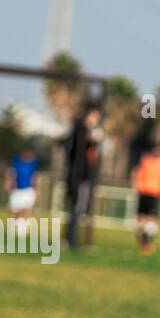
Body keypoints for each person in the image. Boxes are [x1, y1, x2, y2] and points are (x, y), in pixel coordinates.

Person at [63, 101, 103, 250]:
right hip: (77, 176)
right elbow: (75, 149)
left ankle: (72, 239)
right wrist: (90, 138)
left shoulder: (90, 132)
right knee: (76, 208)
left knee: (80, 209)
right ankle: (70, 240)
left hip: (86, 177)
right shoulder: (80, 130)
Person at [131, 142, 160, 254]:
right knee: (140, 221)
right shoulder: (145, 160)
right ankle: (142, 243)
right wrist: (136, 185)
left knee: (152, 221)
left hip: (156, 194)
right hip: (144, 192)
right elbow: (136, 172)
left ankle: (148, 243)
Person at [7, 146, 39, 222]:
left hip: (28, 189)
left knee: (26, 209)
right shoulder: (16, 161)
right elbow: (11, 172)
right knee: (15, 209)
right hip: (17, 189)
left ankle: (23, 225)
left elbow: (34, 176)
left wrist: (36, 188)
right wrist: (9, 182)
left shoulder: (34, 163)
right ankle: (14, 224)